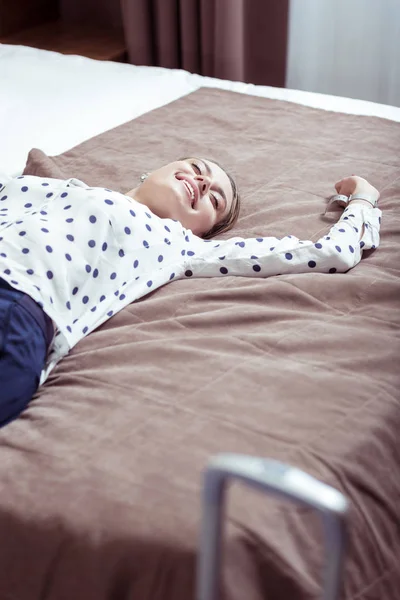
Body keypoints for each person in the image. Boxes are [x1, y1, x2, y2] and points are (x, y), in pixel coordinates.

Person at [0, 158, 381, 427]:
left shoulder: (179, 246)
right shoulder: (35, 185)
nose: (201, 183)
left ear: (202, 230)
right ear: (152, 171)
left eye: (213, 199)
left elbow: (327, 255)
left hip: (19, 309)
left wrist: (363, 198)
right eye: (198, 169)